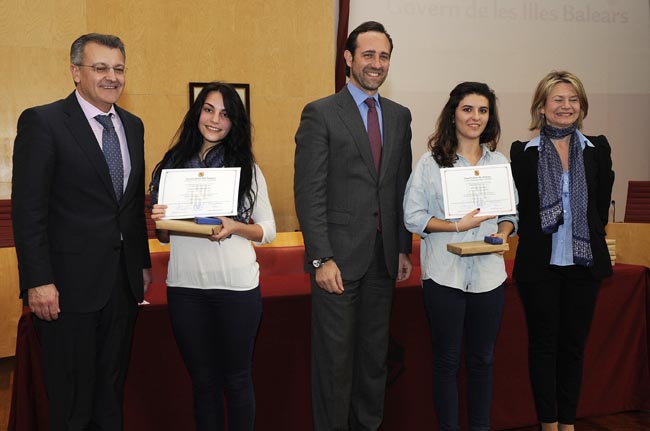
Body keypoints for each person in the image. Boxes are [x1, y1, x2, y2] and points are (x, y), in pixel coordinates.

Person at [11, 33, 152, 430]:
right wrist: (38, 281)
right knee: (71, 401)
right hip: (66, 291)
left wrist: (139, 265)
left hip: (121, 287)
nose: (112, 77)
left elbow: (129, 207)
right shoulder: (44, 122)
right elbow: (29, 210)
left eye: (119, 68)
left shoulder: (133, 125)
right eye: (101, 67)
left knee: (111, 392)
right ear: (76, 72)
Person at [294, 20, 413, 431]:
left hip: (382, 262)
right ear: (348, 58)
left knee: (372, 363)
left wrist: (402, 248)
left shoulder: (399, 116)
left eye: (383, 56)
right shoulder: (321, 113)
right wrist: (320, 258)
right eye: (368, 55)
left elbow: (400, 186)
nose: (376, 64)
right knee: (334, 365)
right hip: (337, 265)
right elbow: (309, 193)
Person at [149, 82, 276, 431]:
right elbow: (163, 237)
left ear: (235, 122)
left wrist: (235, 227)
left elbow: (268, 231)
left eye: (225, 113)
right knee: (202, 384)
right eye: (208, 109)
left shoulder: (245, 167)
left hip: (236, 290)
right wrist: (159, 220)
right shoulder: (171, 167)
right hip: (185, 289)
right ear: (197, 113)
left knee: (237, 381)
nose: (215, 119)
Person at [403, 82, 517, 431]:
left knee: (483, 359)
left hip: (489, 276)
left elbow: (511, 214)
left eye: (483, 111)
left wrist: (503, 232)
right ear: (453, 113)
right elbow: (413, 216)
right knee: (447, 361)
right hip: (444, 275)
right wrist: (456, 227)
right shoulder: (430, 163)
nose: (475, 117)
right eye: (468, 109)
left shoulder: (499, 162)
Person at [510, 71, 614, 431]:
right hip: (540, 267)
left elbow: (599, 210)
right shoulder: (523, 154)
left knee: (573, 348)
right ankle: (548, 423)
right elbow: (522, 211)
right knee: (544, 346)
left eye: (573, 99)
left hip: (584, 267)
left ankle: (568, 423)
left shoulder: (597, 149)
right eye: (558, 99)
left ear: (581, 107)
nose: (566, 106)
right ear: (541, 107)